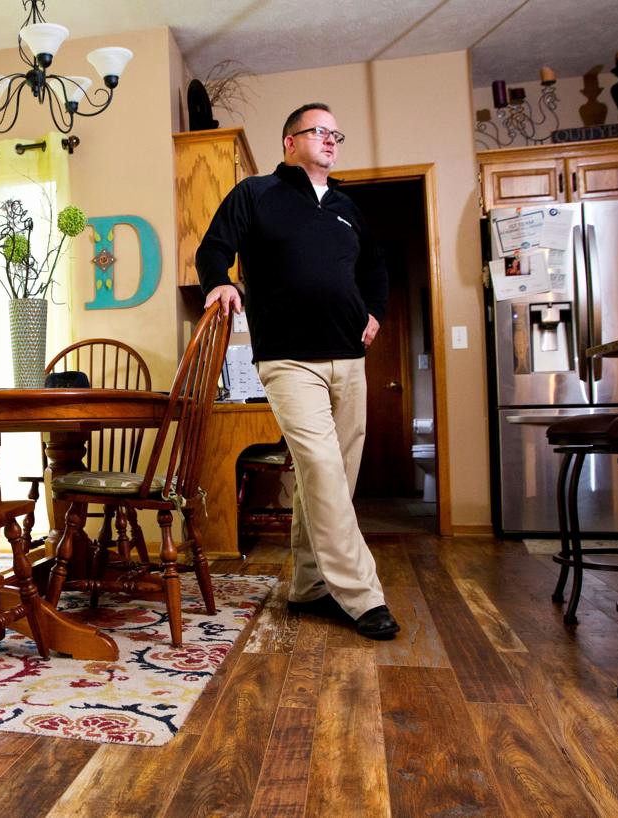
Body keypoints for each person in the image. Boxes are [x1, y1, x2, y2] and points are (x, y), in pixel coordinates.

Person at [196, 102, 399, 639]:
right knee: (323, 469)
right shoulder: (256, 194)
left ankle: (309, 588)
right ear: (290, 141)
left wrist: (374, 313)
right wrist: (218, 279)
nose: (331, 140)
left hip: (349, 359)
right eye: (319, 132)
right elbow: (214, 245)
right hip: (289, 358)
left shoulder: (346, 206)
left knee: (332, 479)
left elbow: (375, 265)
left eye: (337, 133)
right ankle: (362, 595)